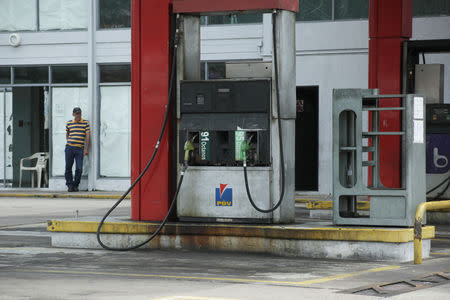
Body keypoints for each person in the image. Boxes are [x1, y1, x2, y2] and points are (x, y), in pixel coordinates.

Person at [65, 107, 90, 192]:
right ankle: (69, 185)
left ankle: (76, 185)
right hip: (69, 148)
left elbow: (87, 136)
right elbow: (67, 134)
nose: (78, 115)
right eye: (76, 114)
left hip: (80, 148)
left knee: (79, 168)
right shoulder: (69, 123)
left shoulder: (85, 123)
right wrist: (69, 143)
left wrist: (86, 149)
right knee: (68, 167)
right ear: (73, 114)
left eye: (79, 113)